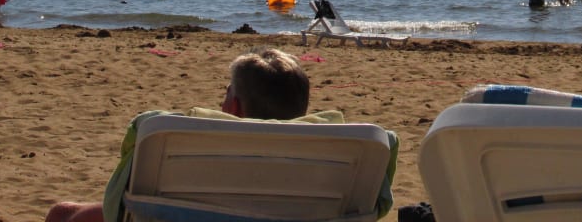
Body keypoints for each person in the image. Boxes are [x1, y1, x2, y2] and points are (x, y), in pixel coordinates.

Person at [45, 47, 384, 222]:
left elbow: (118, 207)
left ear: (234, 106)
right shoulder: (339, 157)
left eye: (225, 93)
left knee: (62, 213)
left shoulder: (188, 147)